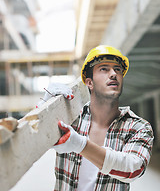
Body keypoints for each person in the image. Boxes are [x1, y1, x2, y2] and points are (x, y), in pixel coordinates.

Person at [41, 45, 154, 191]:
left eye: (117, 69)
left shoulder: (138, 127)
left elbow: (133, 169)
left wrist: (80, 144)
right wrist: (46, 108)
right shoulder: (72, 119)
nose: (113, 74)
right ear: (89, 82)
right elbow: (39, 137)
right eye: (104, 69)